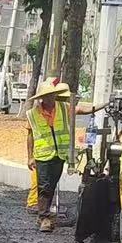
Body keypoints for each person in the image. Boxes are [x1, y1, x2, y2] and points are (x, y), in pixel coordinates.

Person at [26, 78, 75, 233]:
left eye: (52, 95)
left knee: (51, 185)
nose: (50, 98)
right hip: (42, 155)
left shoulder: (63, 108)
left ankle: (44, 214)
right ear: (42, 98)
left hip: (58, 155)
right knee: (44, 186)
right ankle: (44, 217)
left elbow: (80, 110)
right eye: (47, 96)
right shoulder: (33, 114)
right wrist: (30, 156)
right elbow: (30, 135)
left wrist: (99, 106)